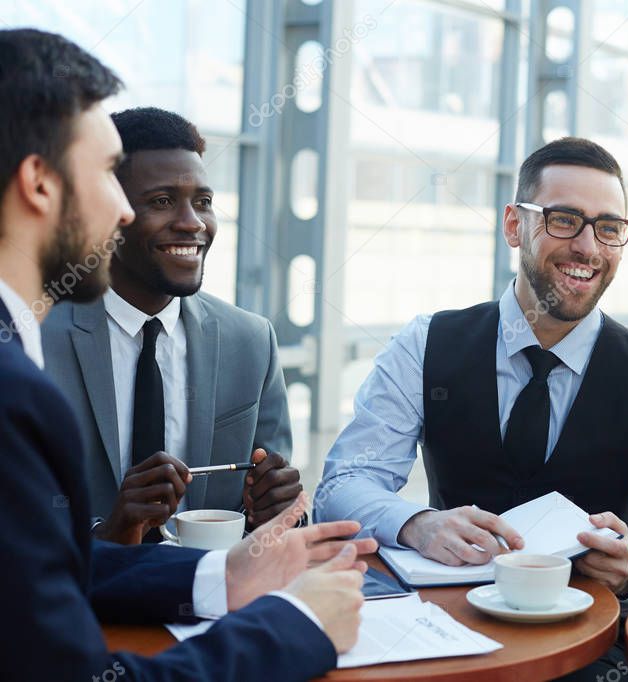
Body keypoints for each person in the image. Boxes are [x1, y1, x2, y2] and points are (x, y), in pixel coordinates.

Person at [0, 28, 373, 680]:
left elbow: (29, 572)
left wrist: (222, 575)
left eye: (201, 200)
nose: (121, 211)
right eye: (109, 177)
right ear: (39, 183)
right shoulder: (16, 390)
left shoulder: (244, 337)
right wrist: (299, 625)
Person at [315, 136, 628, 678]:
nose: (588, 248)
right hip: (443, 636)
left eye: (608, 227)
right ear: (513, 226)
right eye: (564, 219)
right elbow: (342, 486)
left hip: (591, 650)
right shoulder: (426, 343)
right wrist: (419, 523)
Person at [42, 107, 299, 545]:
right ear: (109, 213)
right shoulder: (35, 338)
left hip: (211, 599)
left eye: (203, 202)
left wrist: (275, 514)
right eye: (162, 201)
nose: (192, 223)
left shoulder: (251, 341)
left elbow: (271, 530)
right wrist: (108, 535)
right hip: (74, 603)